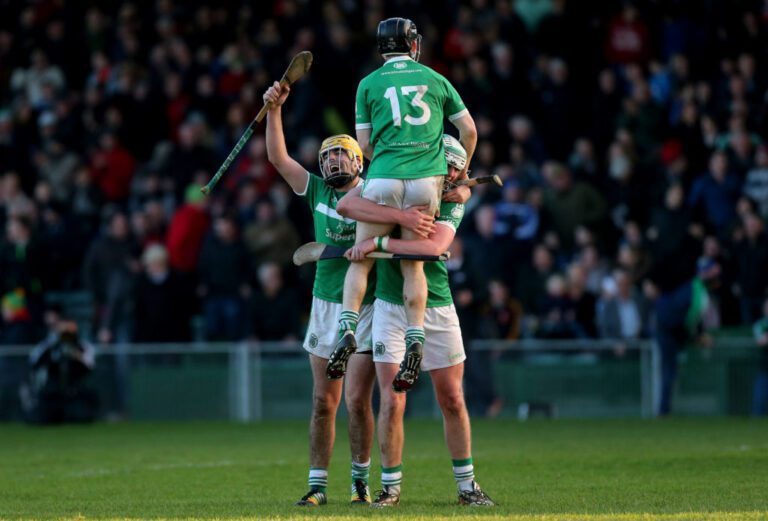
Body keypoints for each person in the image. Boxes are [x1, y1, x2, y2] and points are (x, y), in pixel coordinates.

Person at [262, 81, 433, 506]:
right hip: (325, 303)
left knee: (356, 401)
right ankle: (317, 486)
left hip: (366, 305)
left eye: (341, 153)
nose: (334, 160)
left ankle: (359, 481)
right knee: (323, 401)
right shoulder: (317, 190)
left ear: (358, 160)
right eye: (328, 155)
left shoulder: (376, 189)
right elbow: (278, 158)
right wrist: (275, 109)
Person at [339, 135, 493, 507]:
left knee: (452, 398)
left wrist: (377, 244)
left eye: (457, 168)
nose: (452, 174)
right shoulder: (388, 186)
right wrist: (398, 217)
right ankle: (390, 489)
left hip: (437, 306)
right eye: (447, 165)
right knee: (392, 400)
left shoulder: (452, 202)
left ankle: (467, 487)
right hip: (390, 307)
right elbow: (347, 203)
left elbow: (433, 247)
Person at [328, 17, 478, 394]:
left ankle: (347, 328)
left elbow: (364, 145)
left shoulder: (367, 83)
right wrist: (461, 175)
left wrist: (388, 165)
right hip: (427, 180)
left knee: (361, 260)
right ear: (413, 44)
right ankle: (415, 336)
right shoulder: (436, 78)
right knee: (413, 265)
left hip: (383, 176)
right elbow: (469, 131)